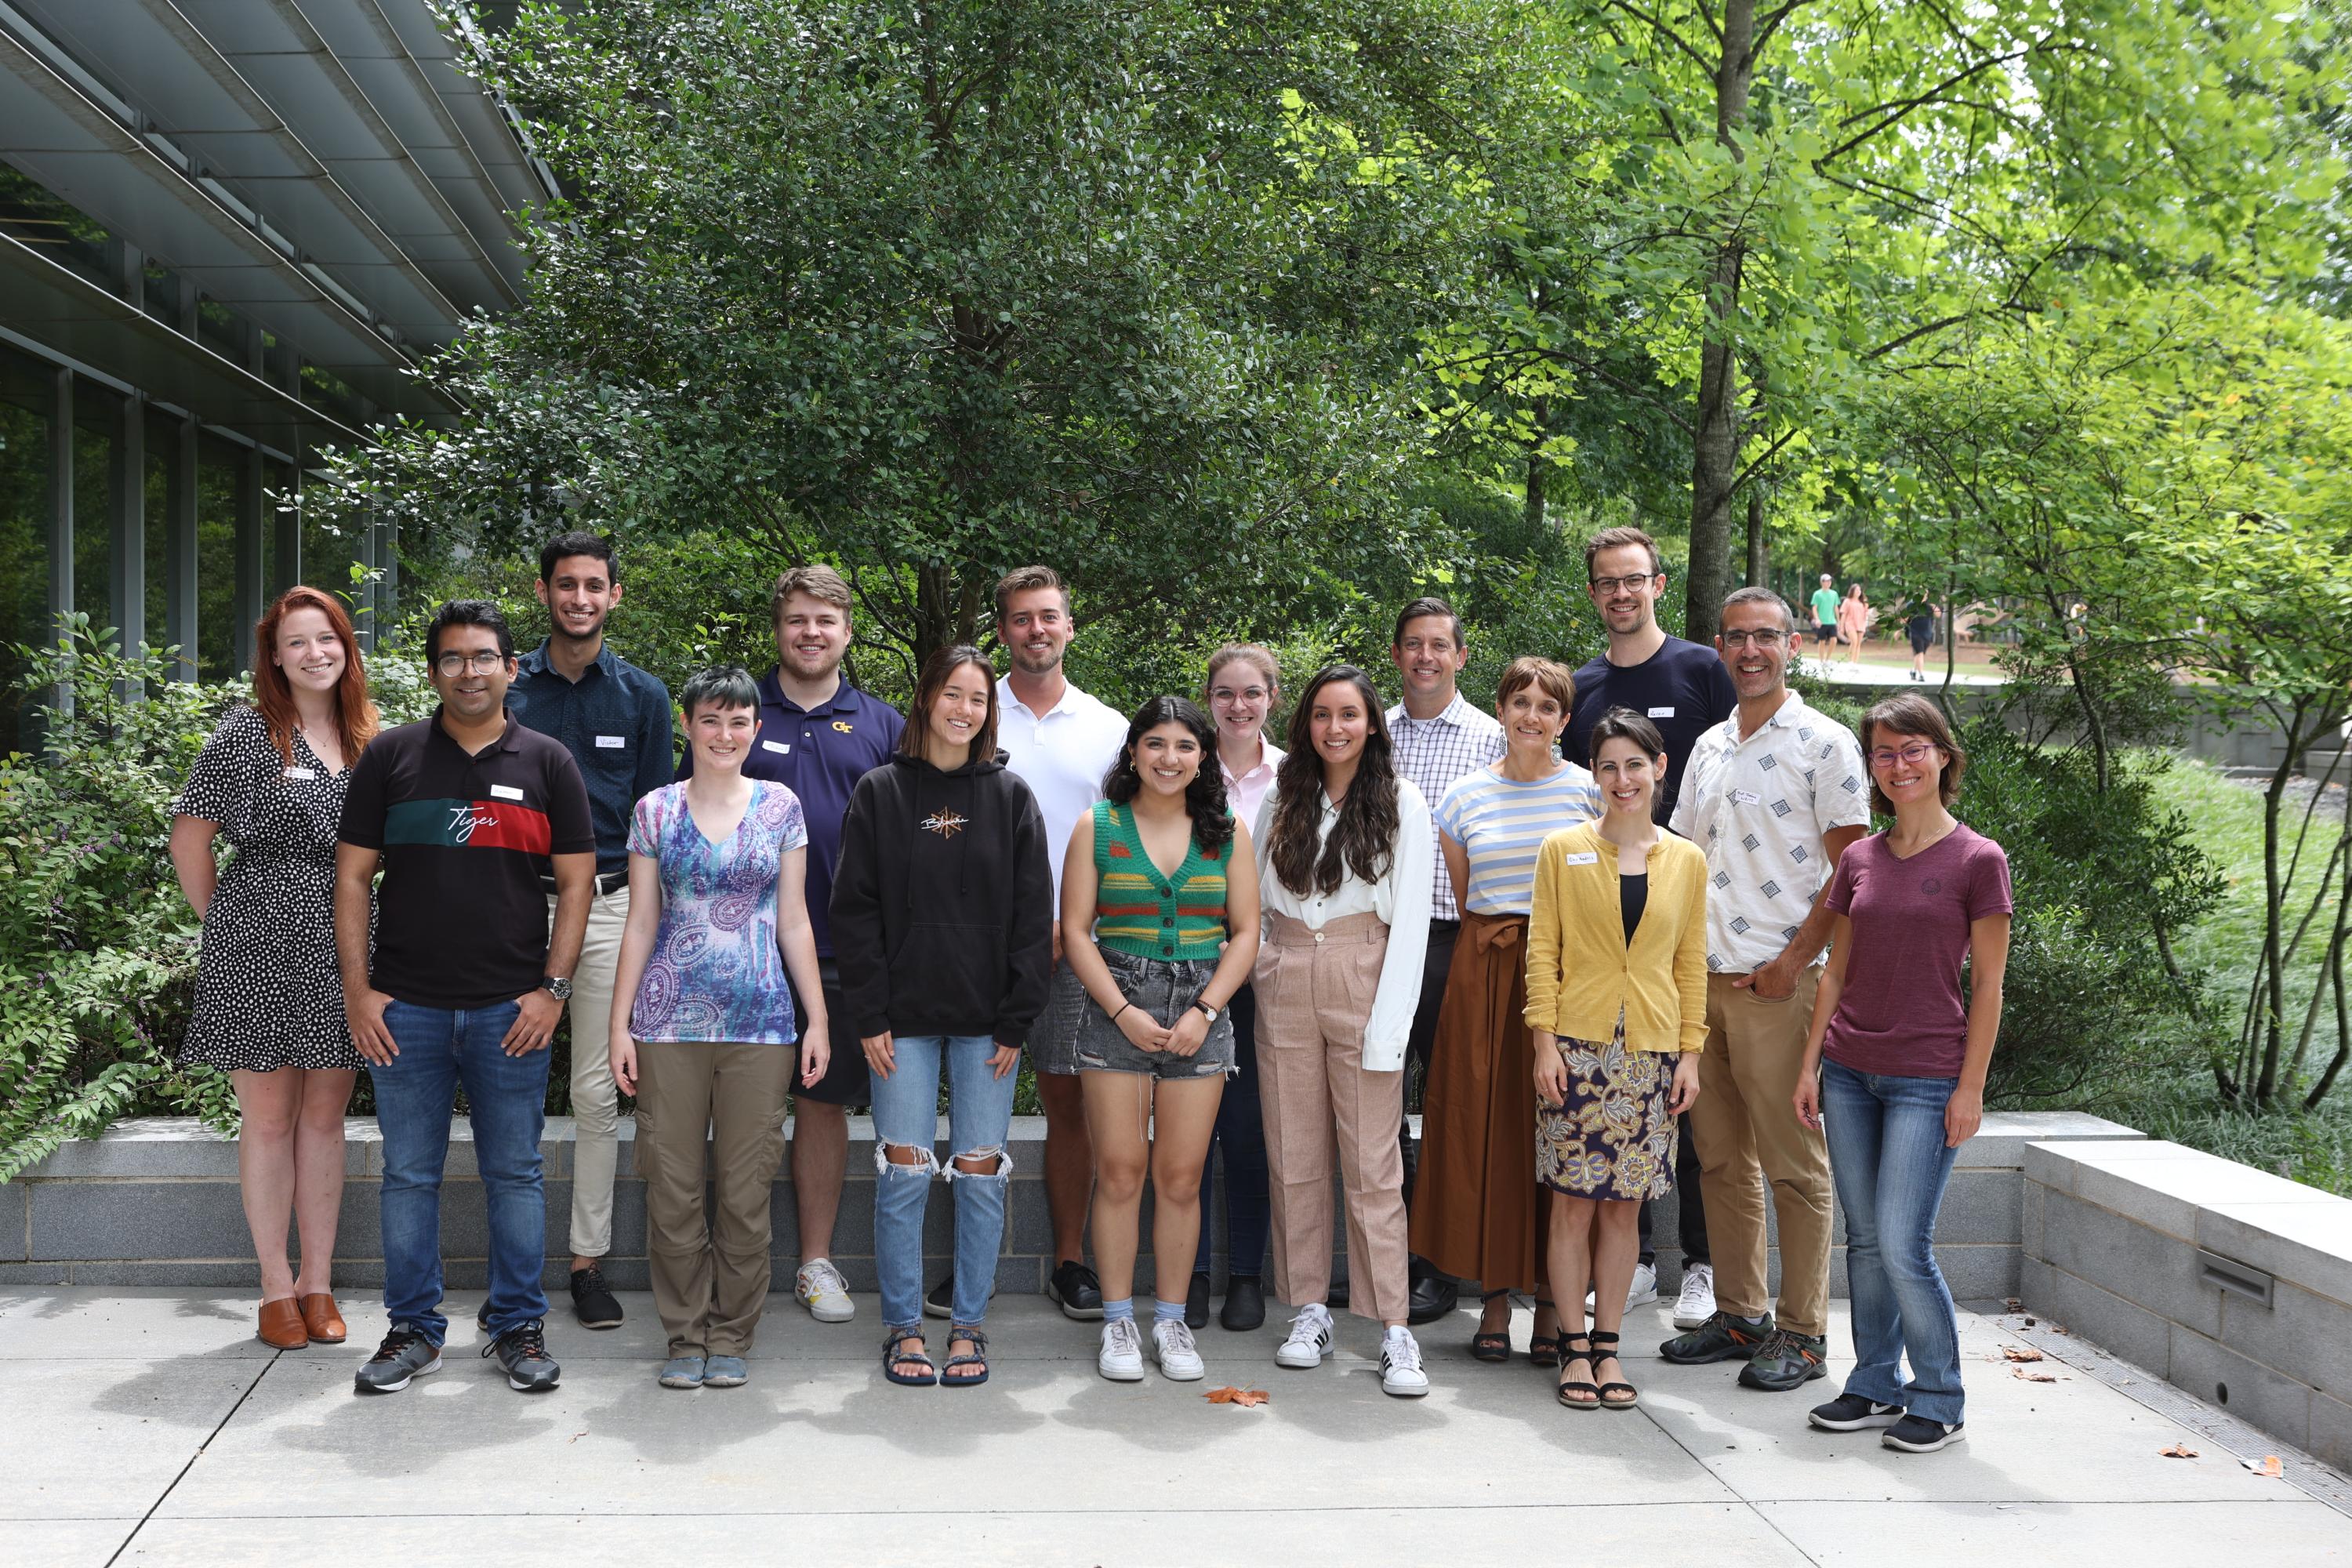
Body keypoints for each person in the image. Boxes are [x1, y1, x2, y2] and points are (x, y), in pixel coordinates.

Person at [336, 601, 594, 1396]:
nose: (470, 670)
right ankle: (413, 1327)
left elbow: (579, 881)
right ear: (433, 671)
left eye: (485, 656)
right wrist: (359, 991)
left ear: (512, 669)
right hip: (404, 1008)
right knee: (408, 1174)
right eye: (453, 658)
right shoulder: (390, 757)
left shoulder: (549, 761)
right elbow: (351, 875)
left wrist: (553, 991)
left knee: (515, 1172)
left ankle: (517, 1326)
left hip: (510, 1012)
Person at [681, 565, 904, 1326]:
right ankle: (705, 1263)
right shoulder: (735, 715)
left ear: (847, 631)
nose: (811, 632)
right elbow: (686, 824)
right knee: (723, 1108)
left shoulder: (880, 723)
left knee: (821, 1104)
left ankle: (814, 1261)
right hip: (729, 951)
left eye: (826, 620)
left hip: (839, 949)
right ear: (778, 627)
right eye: (797, 619)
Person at [1657, 590, 1868, 1393]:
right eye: (1737, 637)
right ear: (1719, 645)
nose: (1751, 651)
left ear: (1793, 644)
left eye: (1766, 637)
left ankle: (1805, 1330)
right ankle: (1740, 1311)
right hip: (1698, 981)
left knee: (1793, 1165)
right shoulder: (1709, 744)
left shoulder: (1825, 744)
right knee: (1719, 1160)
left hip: (1776, 983)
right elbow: (1682, 856)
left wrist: (1793, 962)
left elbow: (1853, 875)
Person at [832, 646, 1054, 1388]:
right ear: (926, 699)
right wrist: (867, 1014)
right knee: (901, 1174)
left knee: (982, 1175)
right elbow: (853, 913)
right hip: (900, 1022)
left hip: (989, 1026)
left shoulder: (1012, 798)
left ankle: (967, 1325)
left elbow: (1033, 918)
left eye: (978, 699)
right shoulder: (880, 792)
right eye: (951, 694)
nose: (964, 709)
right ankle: (902, 1328)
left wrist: (1018, 1020)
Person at [1797, 694, 2011, 1454]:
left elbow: (1987, 985)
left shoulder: (1979, 860)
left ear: (1944, 756)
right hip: (1850, 1072)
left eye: (1913, 748)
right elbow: (1834, 971)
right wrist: (1809, 1064)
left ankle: (1941, 1394)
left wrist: (1970, 1087)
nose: (1900, 763)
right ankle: (1875, 1381)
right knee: (1862, 1241)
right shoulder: (1859, 858)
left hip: (1928, 1077)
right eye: (1884, 753)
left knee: (1901, 1241)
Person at [607, 666, 829, 1390]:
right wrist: (619, 1027)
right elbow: (640, 923)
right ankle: (684, 1338)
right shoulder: (655, 811)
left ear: (755, 729)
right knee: (672, 1189)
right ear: (690, 726)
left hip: (762, 1024)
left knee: (744, 1189)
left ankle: (733, 1333)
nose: (725, 734)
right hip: (667, 1025)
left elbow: (793, 920)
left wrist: (816, 1018)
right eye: (711, 720)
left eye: (739, 722)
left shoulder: (781, 807)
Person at [170, 586, 379, 1352]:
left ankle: (318, 1282)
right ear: (275, 656)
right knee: (267, 1117)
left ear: (345, 646)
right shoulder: (248, 734)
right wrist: (220, 924)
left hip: (345, 943)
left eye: (327, 638)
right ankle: (273, 1287)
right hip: (256, 944)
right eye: (298, 642)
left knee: (325, 1117)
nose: (315, 653)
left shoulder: (366, 737)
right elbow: (189, 840)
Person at [1062, 696, 1262, 1383]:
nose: (1168, 759)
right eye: (1154, 744)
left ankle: (1171, 1321)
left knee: (1181, 1178)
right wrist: (1121, 1011)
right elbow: (1075, 932)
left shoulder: (1227, 830)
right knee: (1120, 1171)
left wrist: (1205, 1011)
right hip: (1117, 1006)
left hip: (1201, 1015)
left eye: (1183, 746)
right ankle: (1119, 1319)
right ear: (1133, 752)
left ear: (1203, 756)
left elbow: (1246, 933)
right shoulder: (1099, 826)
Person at [506, 530, 676, 1331]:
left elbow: (652, 823)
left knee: (597, 1091)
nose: (580, 598)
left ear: (615, 596)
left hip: (608, 908)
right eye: (565, 584)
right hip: (512, 907)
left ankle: (586, 1263)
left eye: (594, 585)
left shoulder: (643, 695)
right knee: (509, 1087)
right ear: (543, 592)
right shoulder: (507, 688)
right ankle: (513, 1275)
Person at [1410, 657, 1601, 1367]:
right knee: (1488, 1135)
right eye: (1521, 702)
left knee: (1559, 1132)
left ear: (1563, 719)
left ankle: (1554, 1302)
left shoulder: (1588, 794)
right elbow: (1468, 900)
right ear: (1502, 709)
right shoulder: (1462, 799)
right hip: (1487, 974)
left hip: (1570, 979)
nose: (1532, 717)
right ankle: (1493, 1298)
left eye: (1548, 707)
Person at [1564, 524, 1733, 1320]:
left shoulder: (1703, 669)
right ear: (1594, 592)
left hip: (1693, 904)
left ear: (1658, 583)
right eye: (1607, 581)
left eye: (1634, 578)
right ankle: (1622, 1264)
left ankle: (1698, 1262)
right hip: (1607, 921)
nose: (1621, 592)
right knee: (1609, 1105)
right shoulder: (1582, 686)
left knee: (1688, 1107)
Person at [1254, 665, 1435, 1398]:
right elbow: (1256, 891)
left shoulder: (1400, 800)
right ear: (1306, 724)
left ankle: (1394, 1326)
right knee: (1293, 1153)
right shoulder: (1281, 796)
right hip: (1289, 970)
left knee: (1371, 1165)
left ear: (1371, 724)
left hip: (1366, 970)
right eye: (1323, 715)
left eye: (1350, 715)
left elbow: (1414, 922)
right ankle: (1308, 1310)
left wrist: (1388, 1031)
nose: (1336, 728)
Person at [1526, 710, 1706, 1412]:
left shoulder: (1686, 860)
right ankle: (1571, 1347)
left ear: (1659, 768)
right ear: (1592, 774)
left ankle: (1608, 1350)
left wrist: (1691, 1054)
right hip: (1575, 1048)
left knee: (1624, 1211)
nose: (1622, 779)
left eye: (1635, 764)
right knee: (1572, 1205)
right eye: (1608, 766)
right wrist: (1543, 1040)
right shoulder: (1562, 849)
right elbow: (1544, 951)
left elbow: (1690, 962)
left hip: (1651, 1055)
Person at [978, 564, 1130, 1321]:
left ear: (1070, 626)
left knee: (1071, 1104)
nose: (1035, 630)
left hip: (1078, 948)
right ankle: (972, 1266)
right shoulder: (974, 713)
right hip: (977, 947)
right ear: (1002, 630)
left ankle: (1069, 1261)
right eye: (1020, 618)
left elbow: (1124, 842)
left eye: (1049, 617)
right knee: (980, 1106)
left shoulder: (1110, 729)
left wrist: (1073, 927)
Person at [1385, 597, 1505, 1324]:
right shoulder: (1374, 735)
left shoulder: (1495, 738)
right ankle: (1390, 1259)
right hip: (1383, 944)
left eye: (1439, 645)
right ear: (1397, 655)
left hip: (1459, 944)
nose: (1425, 657)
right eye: (1412, 645)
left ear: (1461, 657)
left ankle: (1445, 1267)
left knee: (1454, 1109)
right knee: (1381, 1112)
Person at [1185, 644, 1284, 1333]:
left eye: (1252, 693)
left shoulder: (1296, 776)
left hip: (1267, 979)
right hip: (1188, 973)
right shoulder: (1184, 769)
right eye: (1225, 694)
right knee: (1188, 1138)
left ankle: (1245, 1276)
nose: (1238, 706)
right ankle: (1187, 1274)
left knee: (1248, 1132)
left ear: (1272, 698)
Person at [1906, 601, 1941, 683]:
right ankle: (1921, 674)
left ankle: (1913, 671)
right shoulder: (1911, 604)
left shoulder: (1929, 605)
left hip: (1927, 633)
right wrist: (1900, 630)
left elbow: (1938, 615)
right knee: (1920, 653)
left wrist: (1934, 606)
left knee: (1919, 654)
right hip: (1915, 632)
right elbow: (1905, 618)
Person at [1837, 583, 1870, 666]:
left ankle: (1855, 662)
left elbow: (1867, 613)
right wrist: (1841, 627)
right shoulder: (1848, 601)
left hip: (1861, 625)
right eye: (1856, 590)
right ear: (1852, 591)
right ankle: (1851, 661)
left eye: (1859, 590)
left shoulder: (1863, 602)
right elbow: (1843, 614)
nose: (1858, 592)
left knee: (1858, 644)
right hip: (1850, 624)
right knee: (1854, 642)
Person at [1809, 574, 1840, 661]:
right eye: (1827, 581)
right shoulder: (1817, 594)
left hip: (1832, 622)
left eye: (1830, 581)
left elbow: (1836, 608)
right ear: (1822, 582)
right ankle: (1821, 661)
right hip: (1822, 623)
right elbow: (1814, 608)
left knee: (1834, 640)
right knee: (1822, 641)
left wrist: (1839, 621)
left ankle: (1828, 659)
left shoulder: (1834, 594)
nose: (1829, 582)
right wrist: (1817, 619)